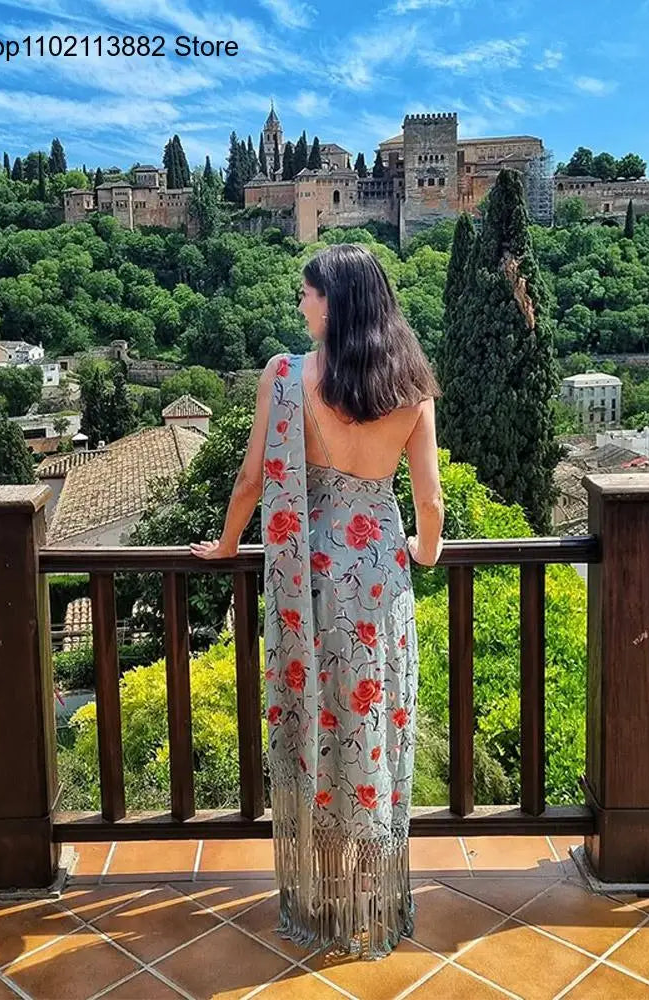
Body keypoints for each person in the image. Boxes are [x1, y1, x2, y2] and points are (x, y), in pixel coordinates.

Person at [190, 243, 444, 959]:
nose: (301, 305)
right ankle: (375, 895)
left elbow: (248, 479)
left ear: (336, 301)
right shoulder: (412, 387)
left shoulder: (285, 377)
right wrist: (425, 552)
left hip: (307, 581)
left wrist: (226, 544)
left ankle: (315, 893)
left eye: (308, 294)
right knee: (372, 719)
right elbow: (429, 499)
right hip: (378, 581)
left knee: (314, 723)